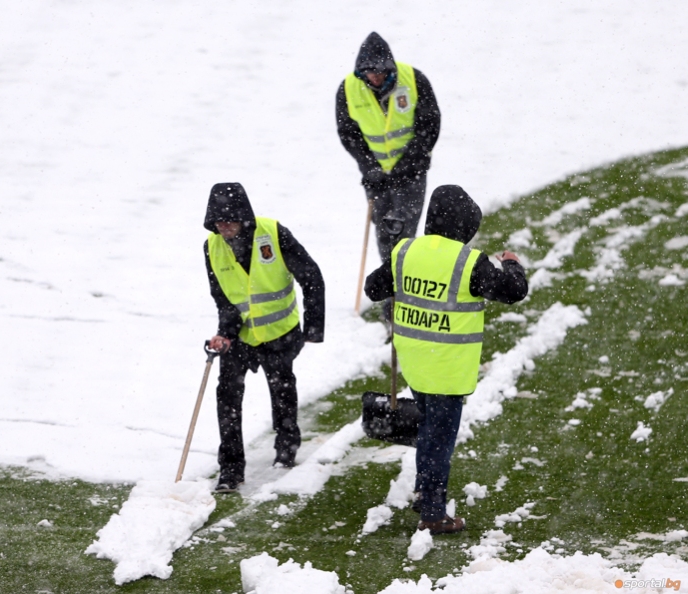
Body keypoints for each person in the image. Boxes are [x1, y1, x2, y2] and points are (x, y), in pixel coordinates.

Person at [364, 185, 528, 534]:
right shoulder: (469, 261)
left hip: (415, 360)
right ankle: (433, 513)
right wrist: (512, 264)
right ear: (465, 224)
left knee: (429, 428)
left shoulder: (406, 250)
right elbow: (513, 292)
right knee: (439, 438)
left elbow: (373, 288)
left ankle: (424, 491)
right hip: (448, 367)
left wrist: (398, 269)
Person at [203, 182, 325, 493]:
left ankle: (286, 449)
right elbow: (224, 299)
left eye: (229, 220)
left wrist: (313, 328)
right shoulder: (211, 247)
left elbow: (311, 276)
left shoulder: (273, 234)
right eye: (217, 221)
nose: (223, 226)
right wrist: (225, 334)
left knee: (282, 389)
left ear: (243, 216)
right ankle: (230, 469)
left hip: (279, 332)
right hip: (241, 338)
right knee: (227, 397)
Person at [336, 31, 441, 263]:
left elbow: (430, 125)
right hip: (377, 177)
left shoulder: (414, 80)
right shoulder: (348, 89)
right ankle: (389, 280)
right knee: (383, 231)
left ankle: (406, 278)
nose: (375, 77)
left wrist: (409, 163)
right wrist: (369, 166)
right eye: (369, 72)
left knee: (404, 231)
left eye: (380, 71)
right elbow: (348, 134)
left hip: (411, 172)